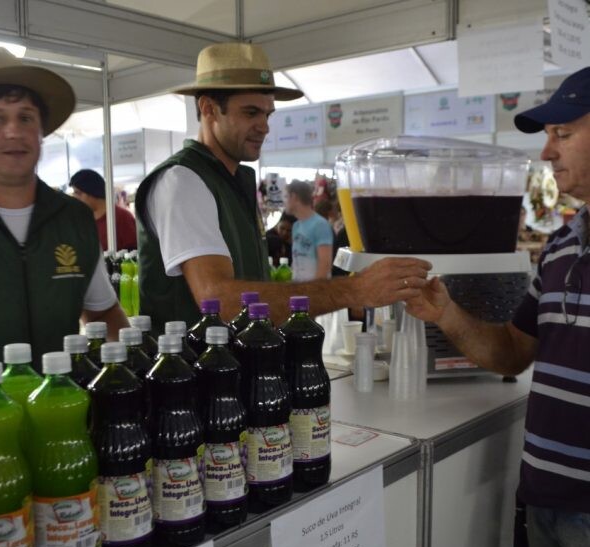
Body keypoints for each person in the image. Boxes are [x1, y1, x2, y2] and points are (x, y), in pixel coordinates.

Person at [407, 67, 590, 547]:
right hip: (543, 500)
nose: (546, 154)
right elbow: (513, 354)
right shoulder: (560, 249)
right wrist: (446, 314)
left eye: (564, 134)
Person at [134, 42, 431, 333]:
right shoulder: (183, 181)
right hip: (192, 376)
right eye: (251, 113)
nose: (265, 126)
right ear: (209, 109)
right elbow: (219, 300)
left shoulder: (233, 181)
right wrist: (353, 289)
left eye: (267, 114)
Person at [0, 47, 129, 367]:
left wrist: (138, 367)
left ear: (41, 132)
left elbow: (103, 312)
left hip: (63, 406)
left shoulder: (74, 218)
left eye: (25, 117)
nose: (13, 131)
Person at [69, 168, 137, 251]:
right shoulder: (80, 219)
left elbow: (134, 251)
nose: (75, 198)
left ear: (91, 191)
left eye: (78, 193)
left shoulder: (122, 217)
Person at [285, 179, 334, 281]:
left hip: (315, 291)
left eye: (286, 197)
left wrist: (315, 291)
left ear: (294, 197)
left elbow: (325, 265)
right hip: (298, 289)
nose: (285, 202)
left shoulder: (320, 225)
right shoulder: (296, 226)